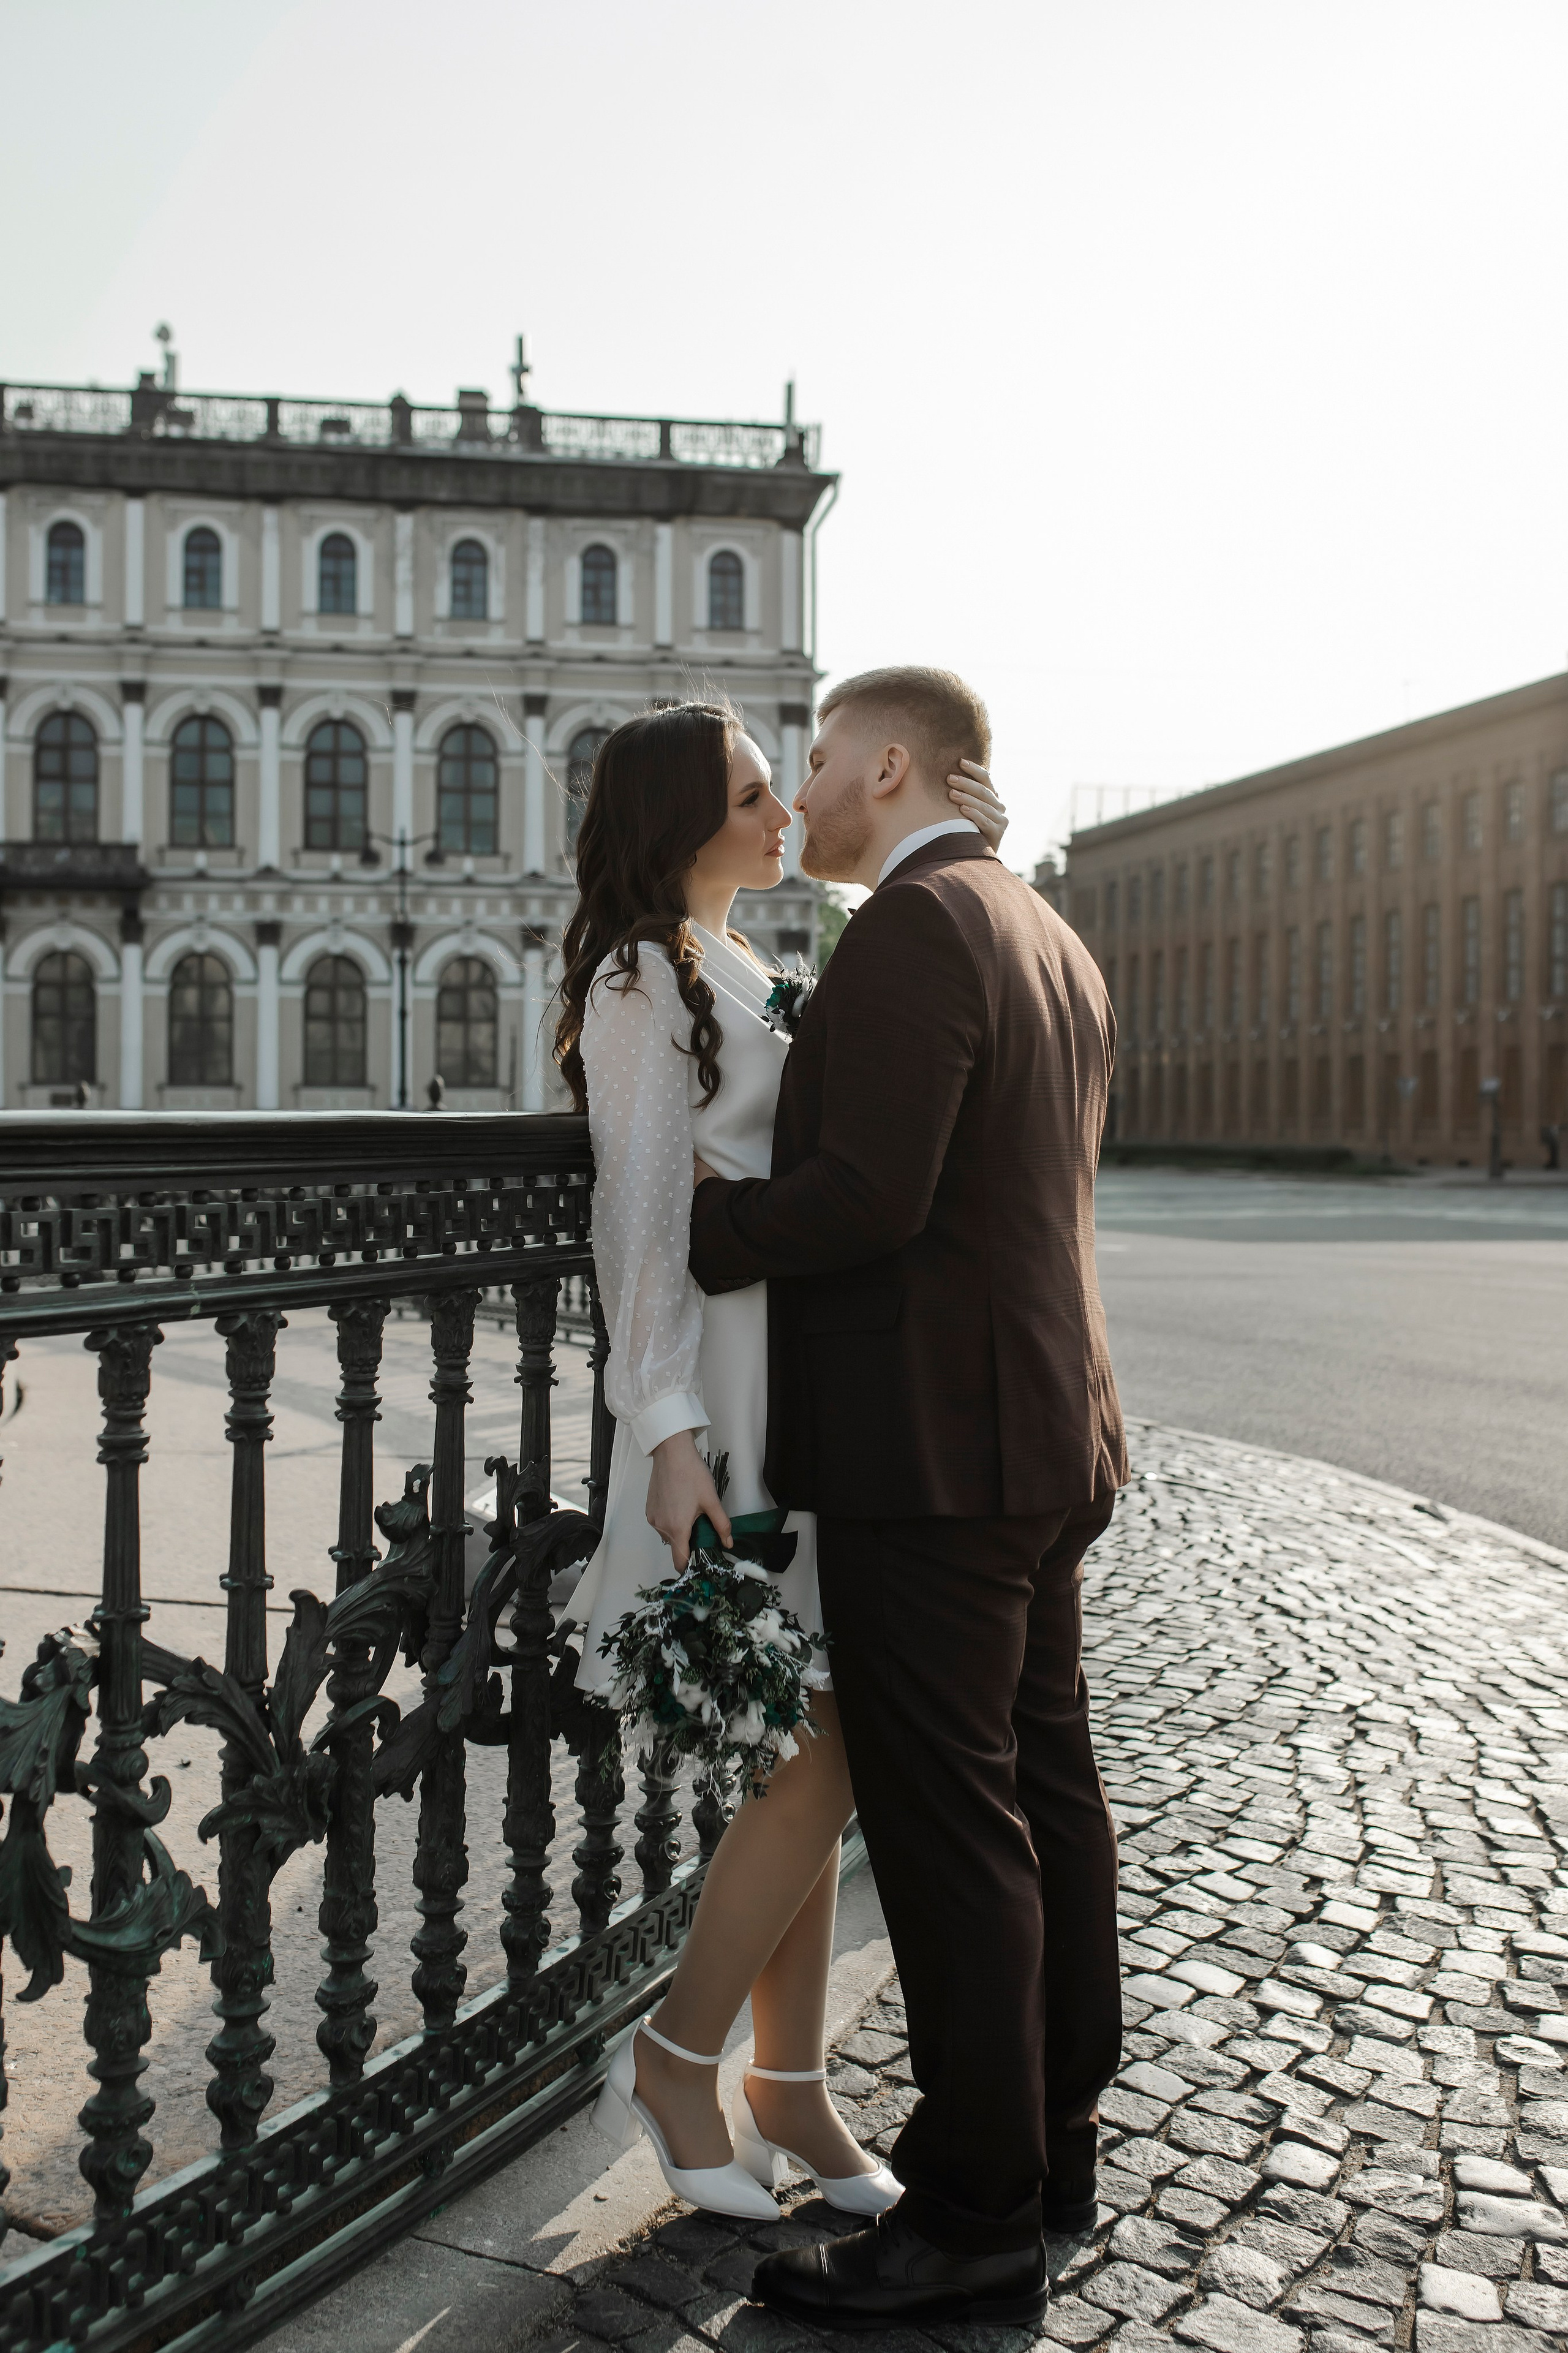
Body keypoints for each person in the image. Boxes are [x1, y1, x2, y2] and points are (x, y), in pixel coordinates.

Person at [688, 667, 1128, 2330]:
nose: (798, 793)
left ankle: (970, 2213)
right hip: (1042, 1435)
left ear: (890, 765)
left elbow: (871, 1196)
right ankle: (1054, 2144)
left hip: (934, 1456)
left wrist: (702, 1228)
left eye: (814, 760)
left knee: (952, 1832)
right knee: (1042, 1795)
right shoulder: (1042, 931)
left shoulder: (916, 928)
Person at [554, 699, 1009, 2224]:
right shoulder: (638, 975)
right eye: (755, 793)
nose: (783, 814)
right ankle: (679, 2059)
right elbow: (636, 1230)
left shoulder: (738, 960)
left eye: (778, 786)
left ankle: (792, 2082)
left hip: (796, 1383)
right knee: (815, 1751)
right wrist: (665, 1433)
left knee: (809, 1745)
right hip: (722, 1406)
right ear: (683, 820)